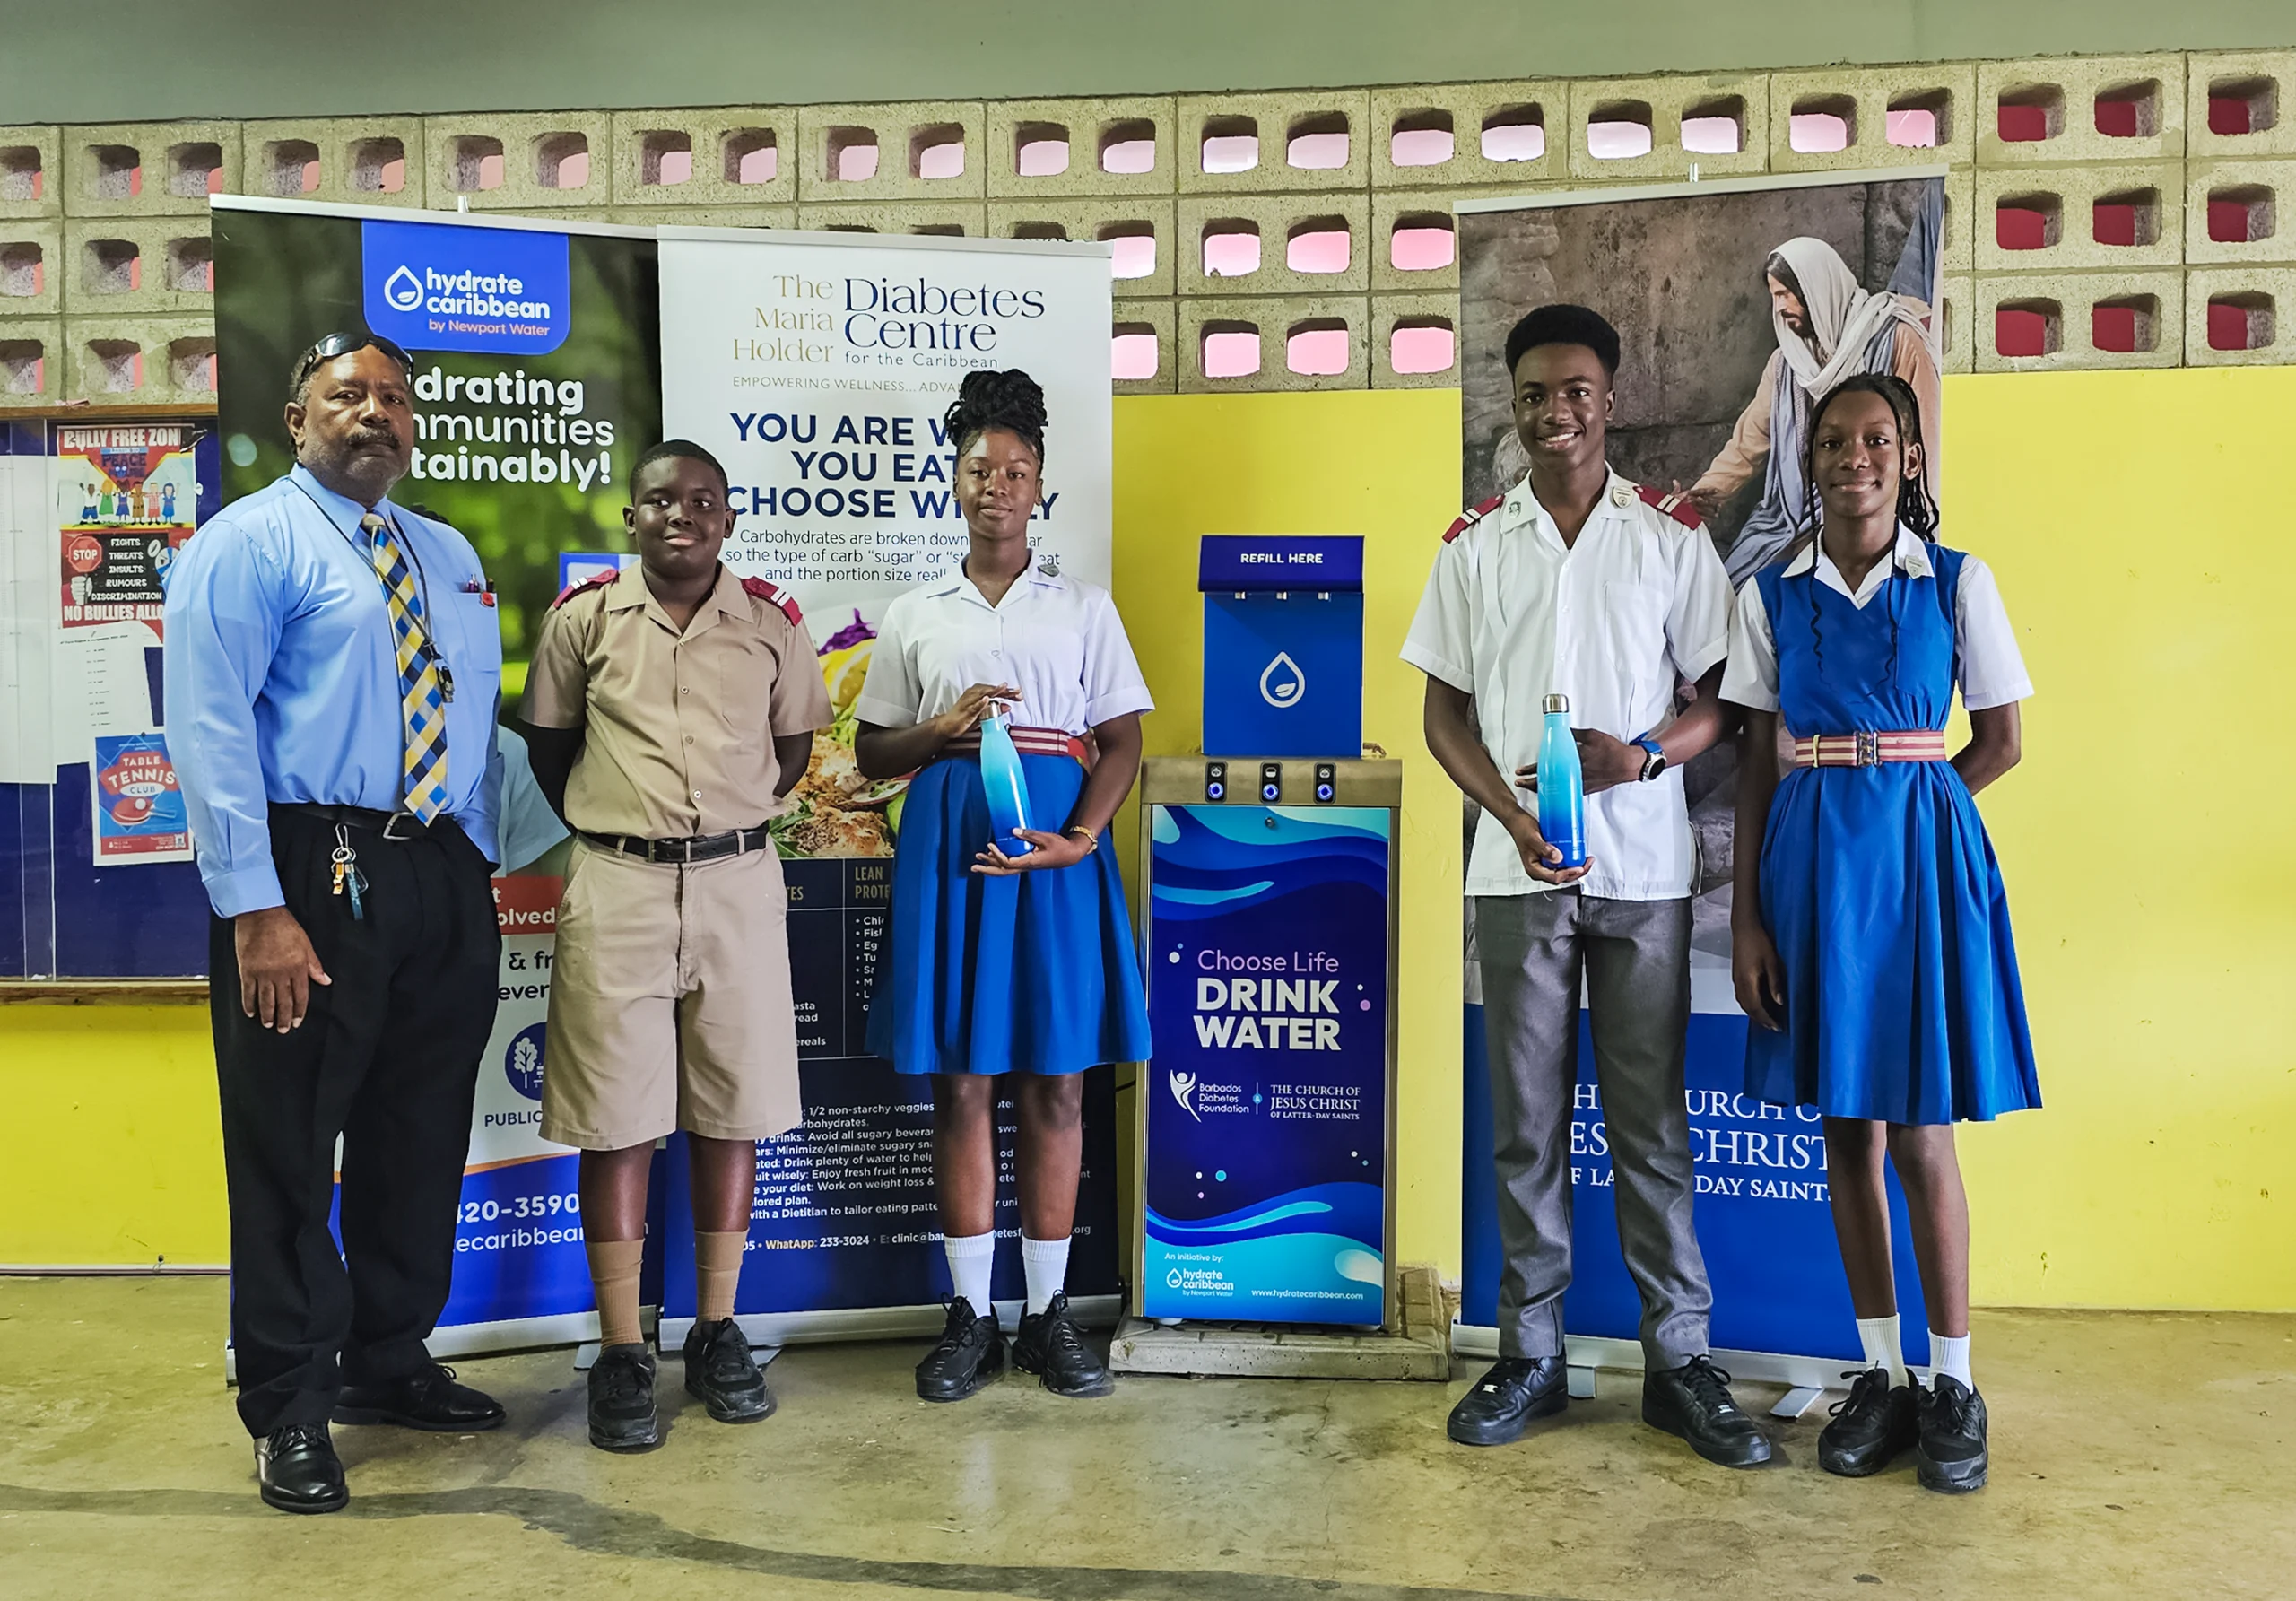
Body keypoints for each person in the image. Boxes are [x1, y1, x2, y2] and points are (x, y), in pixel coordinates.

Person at [1405, 304, 1773, 1468]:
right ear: (1512, 411)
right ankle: (1531, 1357)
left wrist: (1646, 756)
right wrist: (1510, 815)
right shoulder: (1473, 545)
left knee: (1652, 1124)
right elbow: (1442, 715)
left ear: (1608, 400)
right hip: (1517, 874)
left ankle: (1679, 1362)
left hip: (1645, 870)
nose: (1552, 412)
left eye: (1573, 390)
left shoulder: (1667, 537)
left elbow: (1724, 700)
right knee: (1525, 1127)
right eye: (1531, 396)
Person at [164, 333, 509, 1515]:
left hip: (434, 868)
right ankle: (290, 1402)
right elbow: (209, 731)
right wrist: (254, 903)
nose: (376, 414)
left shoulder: (448, 555)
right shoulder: (249, 542)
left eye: (395, 399)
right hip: (310, 867)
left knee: (418, 1136)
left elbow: (471, 718)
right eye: (348, 396)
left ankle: (390, 1356)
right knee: (289, 1145)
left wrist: (474, 867)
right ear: (298, 417)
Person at [1723, 373, 2039, 1494]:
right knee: (1844, 1135)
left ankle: (1952, 1381)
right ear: (1807, 461)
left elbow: (1997, 742)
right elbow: (1757, 759)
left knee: (1919, 1137)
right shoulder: (1772, 595)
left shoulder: (1955, 582)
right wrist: (1749, 915)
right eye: (1831, 441)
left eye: (1876, 439)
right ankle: (1881, 1378)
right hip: (1808, 876)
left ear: (1909, 458)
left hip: (1913, 873)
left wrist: (1921, 825)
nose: (1853, 455)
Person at [519, 440, 830, 1453]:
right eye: (661, 502)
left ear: (728, 519)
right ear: (631, 518)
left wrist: (722, 827)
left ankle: (716, 1328)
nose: (681, 517)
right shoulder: (582, 623)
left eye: (702, 501)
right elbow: (551, 747)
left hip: (738, 883)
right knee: (617, 1120)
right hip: (618, 882)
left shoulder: (774, 625)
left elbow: (793, 755)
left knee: (729, 1108)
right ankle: (621, 1348)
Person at [853, 368, 1152, 1404]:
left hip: (1054, 859)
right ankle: (971, 1316)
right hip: (952, 854)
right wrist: (938, 731)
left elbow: (1120, 743)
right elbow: (873, 752)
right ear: (955, 480)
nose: (997, 484)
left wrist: (1080, 836)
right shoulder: (913, 612)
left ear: (1040, 488)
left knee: (1058, 1082)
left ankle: (1050, 1315)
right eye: (979, 467)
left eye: (1015, 469)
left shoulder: (1082, 606)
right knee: (963, 1082)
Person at [1685, 237, 1942, 586]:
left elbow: (1928, 445)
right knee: (1733, 596)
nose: (1780, 307)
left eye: (1786, 294)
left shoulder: (1897, 342)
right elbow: (1747, 445)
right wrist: (1698, 498)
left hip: (1877, 515)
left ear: (1817, 288)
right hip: (1790, 520)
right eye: (1775, 296)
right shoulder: (1786, 363)